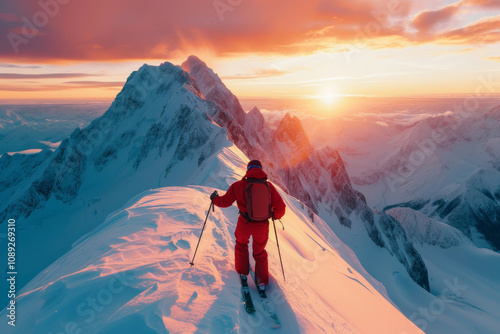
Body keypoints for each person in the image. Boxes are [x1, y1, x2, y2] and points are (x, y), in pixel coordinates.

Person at [210, 160, 286, 288]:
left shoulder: (238, 185)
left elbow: (225, 202)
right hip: (262, 226)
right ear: (261, 169)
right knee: (260, 252)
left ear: (248, 170)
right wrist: (274, 216)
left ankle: (242, 273)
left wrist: (214, 199)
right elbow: (281, 208)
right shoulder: (269, 187)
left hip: (244, 223)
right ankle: (261, 282)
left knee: (241, 245)